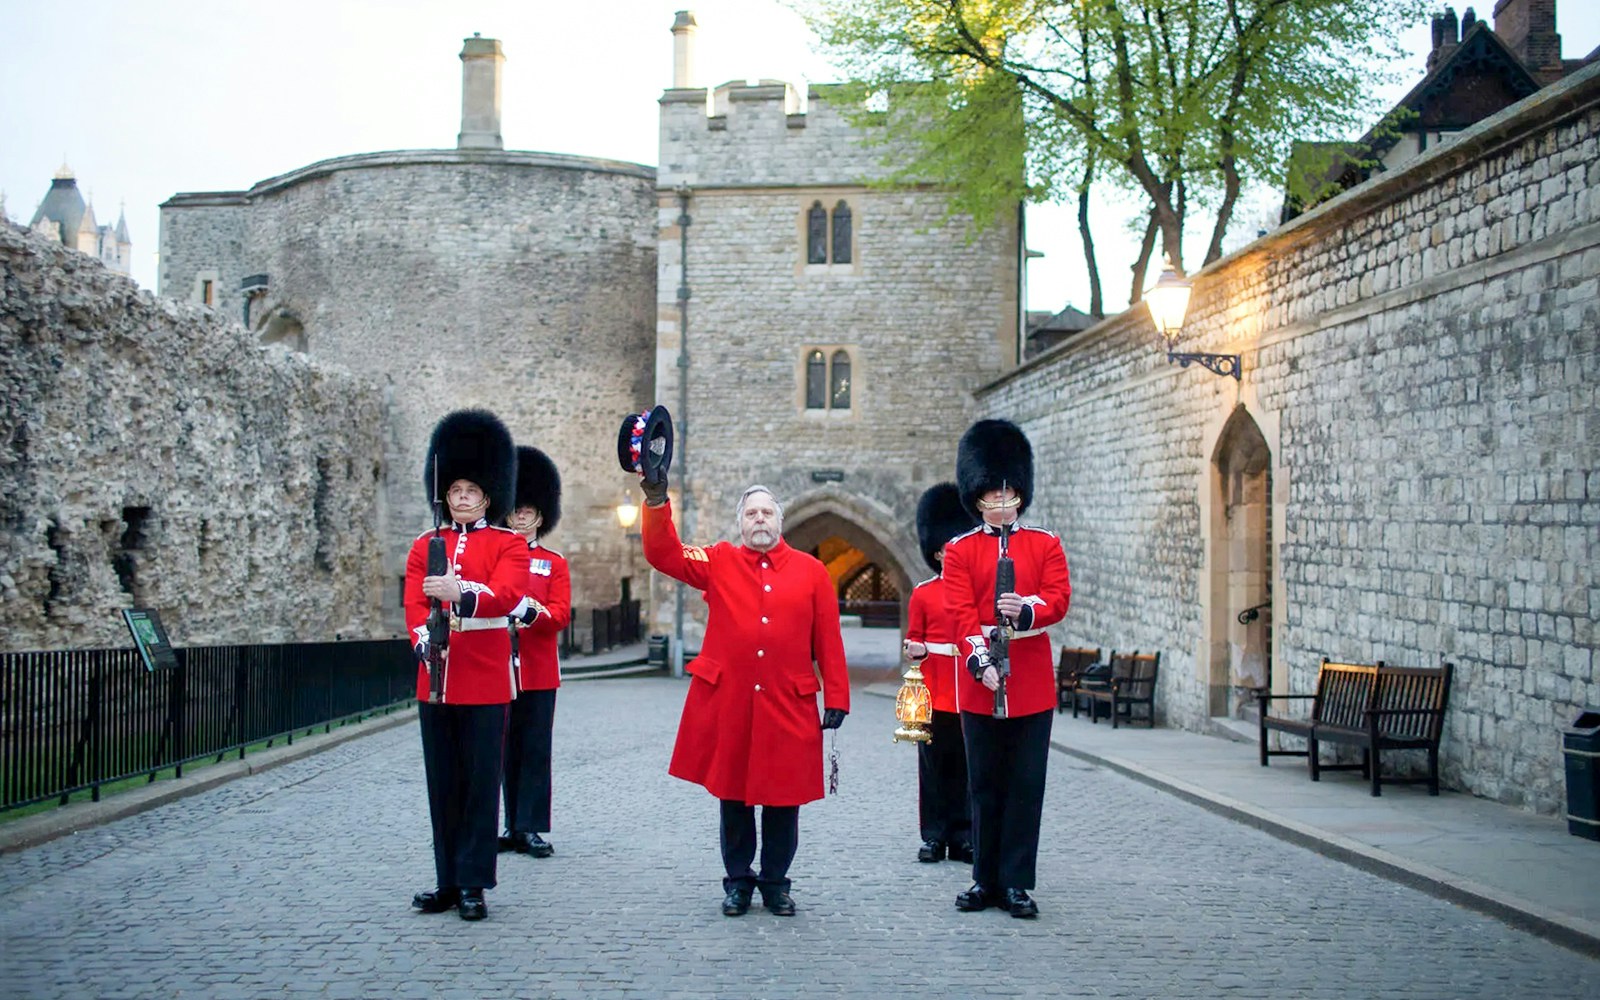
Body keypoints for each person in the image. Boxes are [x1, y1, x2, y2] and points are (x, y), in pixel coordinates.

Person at [638, 476, 850, 917]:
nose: (759, 520)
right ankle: (737, 881)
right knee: (732, 797)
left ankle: (775, 883)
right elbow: (665, 555)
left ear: (780, 521)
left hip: (788, 702)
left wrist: (838, 695)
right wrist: (656, 502)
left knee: (783, 800)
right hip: (731, 701)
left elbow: (828, 638)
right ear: (740, 523)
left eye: (766, 513)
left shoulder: (812, 572)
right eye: (751, 513)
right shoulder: (719, 560)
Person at [942, 419, 1071, 919]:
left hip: (1032, 684)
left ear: (1020, 494)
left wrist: (1029, 610)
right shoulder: (959, 550)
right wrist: (980, 661)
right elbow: (957, 612)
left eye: (1008, 492)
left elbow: (1058, 598)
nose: (1000, 502)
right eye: (991, 495)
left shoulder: (1045, 543)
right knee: (984, 785)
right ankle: (984, 880)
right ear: (976, 499)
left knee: (1024, 786)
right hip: (981, 686)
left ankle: (1016, 882)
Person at [405, 409, 527, 922]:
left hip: (484, 678)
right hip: (436, 680)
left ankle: (475, 881)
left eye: (470, 491)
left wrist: (463, 594)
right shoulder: (422, 546)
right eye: (454, 489)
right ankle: (448, 881)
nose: (461, 498)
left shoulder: (509, 544)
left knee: (480, 784)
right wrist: (423, 642)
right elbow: (413, 602)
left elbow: (508, 595)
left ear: (487, 495)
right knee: (443, 783)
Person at [500, 445, 572, 859]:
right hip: (496, 668)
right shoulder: (493, 558)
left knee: (532, 750)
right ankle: (509, 825)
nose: (521, 517)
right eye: (515, 511)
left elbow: (559, 613)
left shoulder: (553, 563)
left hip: (537, 669)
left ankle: (528, 826)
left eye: (528, 511)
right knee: (501, 749)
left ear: (541, 517)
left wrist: (528, 612)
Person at [902, 482, 978, 865]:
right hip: (932, 693)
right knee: (932, 769)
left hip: (967, 689)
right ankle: (933, 836)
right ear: (937, 554)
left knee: (965, 768)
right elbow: (913, 638)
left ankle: (963, 836)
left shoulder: (976, 595)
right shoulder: (924, 594)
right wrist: (915, 649)